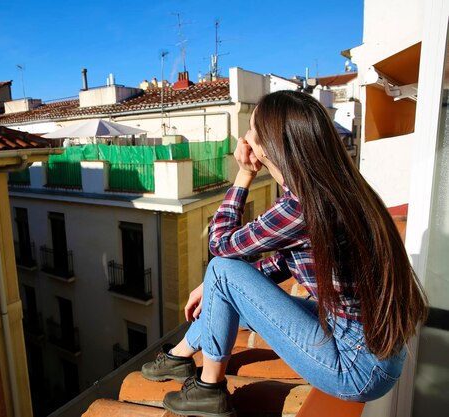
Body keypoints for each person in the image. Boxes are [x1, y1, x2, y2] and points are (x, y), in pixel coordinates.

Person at [141, 90, 427, 417]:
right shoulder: (333, 189)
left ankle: (208, 390)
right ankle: (180, 356)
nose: (243, 137)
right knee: (227, 290)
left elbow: (220, 244)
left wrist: (245, 174)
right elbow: (281, 263)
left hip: (357, 367)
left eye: (250, 130)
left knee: (221, 267)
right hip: (371, 348)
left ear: (267, 146)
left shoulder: (300, 206)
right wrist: (215, 288)